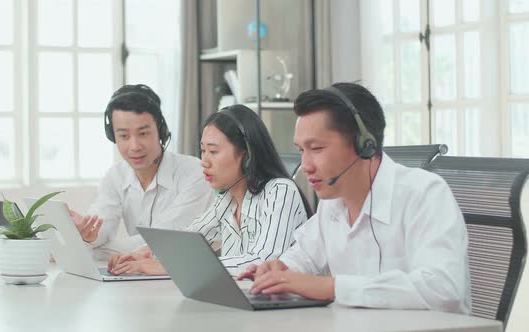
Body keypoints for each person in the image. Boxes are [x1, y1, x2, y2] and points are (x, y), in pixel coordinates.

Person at [238, 83, 471, 314]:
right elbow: (304, 256)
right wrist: (279, 270)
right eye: (301, 150)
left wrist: (333, 288)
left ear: (364, 145)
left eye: (317, 148)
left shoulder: (424, 194)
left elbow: (444, 290)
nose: (305, 166)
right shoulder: (333, 201)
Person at [108, 104, 313, 276]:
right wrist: (141, 254)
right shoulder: (226, 201)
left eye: (213, 151)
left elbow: (263, 262)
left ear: (247, 155)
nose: (204, 161)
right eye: (203, 150)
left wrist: (171, 267)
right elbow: (187, 240)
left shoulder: (280, 192)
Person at [69, 84, 214, 256]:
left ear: (160, 130)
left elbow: (162, 241)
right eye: (123, 136)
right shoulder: (116, 176)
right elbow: (102, 226)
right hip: (140, 277)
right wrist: (88, 233)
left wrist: (94, 250)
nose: (135, 146)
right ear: (112, 136)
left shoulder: (194, 173)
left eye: (143, 134)